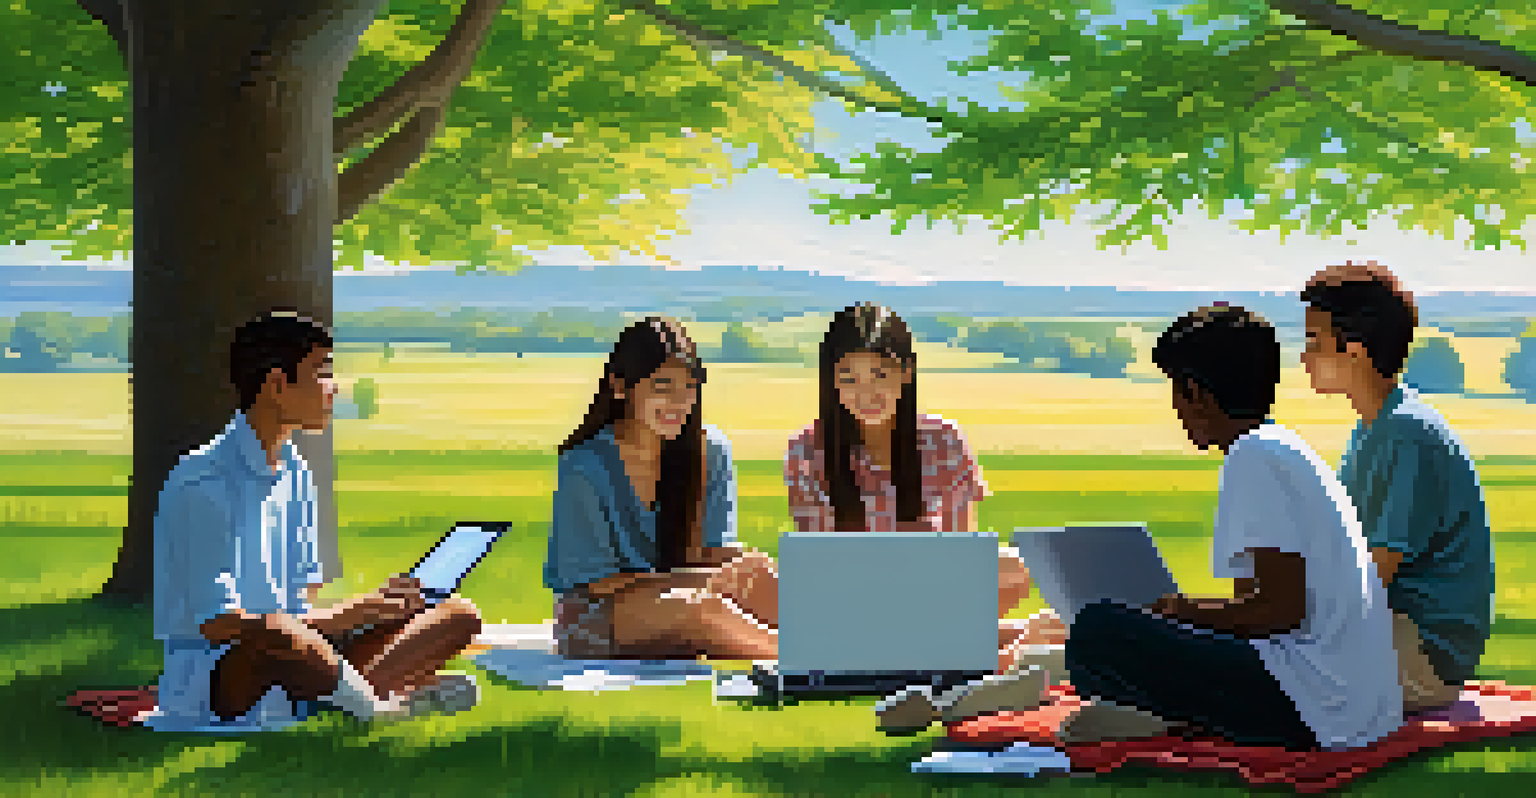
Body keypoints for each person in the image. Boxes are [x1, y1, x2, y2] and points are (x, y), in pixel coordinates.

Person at [1058, 304, 1402, 751]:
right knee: (1129, 630)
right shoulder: (1282, 447)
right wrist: (1187, 615)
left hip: (1317, 708)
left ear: (1196, 393)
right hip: (1357, 706)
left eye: (1176, 392)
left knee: (1096, 630)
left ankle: (1157, 715)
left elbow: (1280, 612)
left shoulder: (1252, 458)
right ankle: (1151, 710)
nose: (1177, 408)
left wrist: (1185, 613)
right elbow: (1261, 608)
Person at [151, 309, 483, 731]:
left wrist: (375, 609)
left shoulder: (295, 469)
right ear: (275, 385)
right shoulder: (201, 483)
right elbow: (220, 625)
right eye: (321, 372)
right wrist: (354, 613)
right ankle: (380, 709)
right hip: (224, 673)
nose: (335, 387)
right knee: (278, 630)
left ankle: (343, 701)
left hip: (306, 654)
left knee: (456, 615)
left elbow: (302, 606)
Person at [784, 302, 1058, 665]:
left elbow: (965, 553)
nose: (866, 394)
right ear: (831, 382)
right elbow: (818, 567)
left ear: (906, 372)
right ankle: (1000, 650)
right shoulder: (807, 449)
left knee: (1011, 565)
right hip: (853, 603)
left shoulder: (944, 440)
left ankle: (938, 646)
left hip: (934, 599)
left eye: (880, 376)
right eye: (849, 379)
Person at [1300, 261, 1494, 713]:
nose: (1304, 357)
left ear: (1356, 349)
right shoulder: (1375, 428)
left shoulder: (1403, 435)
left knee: (1256, 671)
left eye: (1314, 341)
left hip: (1423, 654)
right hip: (1390, 632)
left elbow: (1372, 573)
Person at [545, 316, 779, 660]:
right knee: (699, 606)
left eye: (688, 389)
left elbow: (713, 550)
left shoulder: (710, 450)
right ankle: (814, 660)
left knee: (756, 571)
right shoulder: (584, 465)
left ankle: (848, 648)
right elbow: (596, 582)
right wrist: (702, 583)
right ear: (621, 387)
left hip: (682, 593)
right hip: (599, 614)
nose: (678, 403)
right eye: (661, 387)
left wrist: (745, 565)